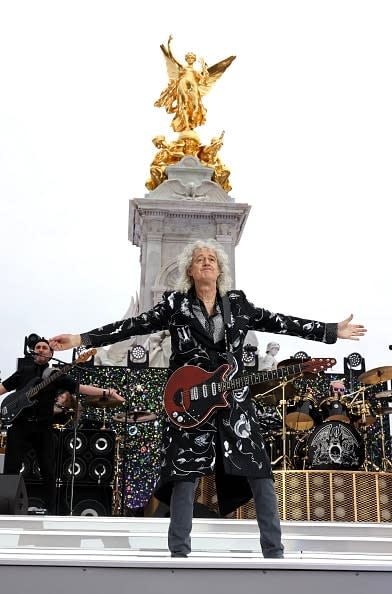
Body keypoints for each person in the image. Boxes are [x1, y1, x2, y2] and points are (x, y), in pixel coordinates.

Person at [49, 238, 366, 557]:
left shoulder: (238, 304)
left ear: (220, 268)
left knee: (259, 472)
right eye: (199, 258)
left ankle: (274, 553)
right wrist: (81, 338)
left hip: (235, 404)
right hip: (187, 398)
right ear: (189, 269)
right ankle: (179, 554)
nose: (206, 261)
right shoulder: (176, 304)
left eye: (212, 258)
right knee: (184, 474)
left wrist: (330, 331)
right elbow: (132, 325)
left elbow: (279, 321)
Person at [0, 337, 124, 514]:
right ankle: (6, 510)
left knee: (48, 470)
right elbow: (3, 389)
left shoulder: (55, 374)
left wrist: (107, 392)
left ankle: (50, 510)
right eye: (38, 347)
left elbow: (80, 388)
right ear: (34, 352)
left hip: (43, 427)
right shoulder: (22, 372)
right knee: (11, 469)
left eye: (45, 347)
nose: (41, 349)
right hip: (19, 426)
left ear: (51, 354)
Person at [154, 36, 236, 132]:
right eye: (188, 58)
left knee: (196, 106)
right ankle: (187, 125)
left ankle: (192, 119)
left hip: (193, 87)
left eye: (192, 58)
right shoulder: (183, 68)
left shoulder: (195, 72)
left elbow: (204, 79)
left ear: (193, 60)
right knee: (183, 105)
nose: (190, 59)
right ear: (186, 59)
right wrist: (168, 45)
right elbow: (172, 59)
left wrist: (204, 68)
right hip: (182, 85)